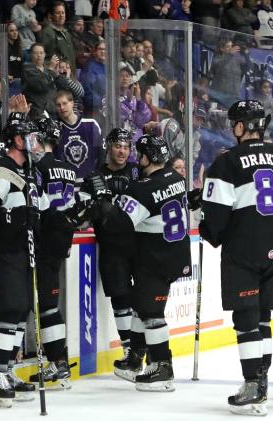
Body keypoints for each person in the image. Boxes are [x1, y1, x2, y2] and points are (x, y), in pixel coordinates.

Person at [199, 100, 273, 416]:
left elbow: (215, 218)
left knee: (245, 319)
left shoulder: (227, 162)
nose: (232, 129)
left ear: (243, 127)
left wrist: (209, 232)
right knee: (262, 316)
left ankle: (252, 385)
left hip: (242, 251)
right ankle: (262, 381)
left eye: (234, 123)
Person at [89, 134, 191, 392]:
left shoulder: (142, 188)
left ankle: (161, 367)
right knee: (140, 307)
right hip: (176, 254)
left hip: (154, 259)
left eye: (140, 154)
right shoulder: (177, 179)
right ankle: (135, 358)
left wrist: (104, 207)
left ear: (146, 157)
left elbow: (119, 227)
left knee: (151, 313)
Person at [0, 116, 42, 407]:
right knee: (7, 310)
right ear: (18, 140)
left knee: (19, 310)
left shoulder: (27, 174)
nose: (37, 142)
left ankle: (10, 369)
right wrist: (18, 216)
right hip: (0, 252)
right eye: (32, 136)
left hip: (20, 252)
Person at [26, 117, 81, 389]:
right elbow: (76, 209)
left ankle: (57, 363)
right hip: (62, 240)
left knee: (46, 304)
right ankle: (58, 362)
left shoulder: (39, 167)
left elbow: (38, 207)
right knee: (49, 302)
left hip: (44, 239)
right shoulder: (69, 169)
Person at [83, 128, 139, 381]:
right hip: (110, 247)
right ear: (109, 147)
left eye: (126, 147)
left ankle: (141, 350)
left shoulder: (138, 173)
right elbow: (87, 209)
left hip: (138, 244)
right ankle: (129, 351)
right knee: (120, 298)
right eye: (118, 146)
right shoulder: (95, 175)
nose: (122, 151)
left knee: (141, 299)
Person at [54, 90, 103, 179]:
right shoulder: (55, 129)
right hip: (67, 185)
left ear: (72, 103)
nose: (62, 107)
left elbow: (101, 154)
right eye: (58, 105)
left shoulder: (91, 124)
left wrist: (96, 176)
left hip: (89, 184)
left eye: (64, 103)